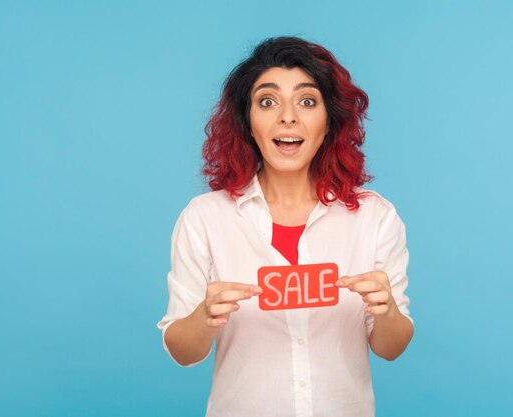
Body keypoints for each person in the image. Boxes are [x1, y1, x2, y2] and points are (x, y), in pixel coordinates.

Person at [157, 36, 414, 417]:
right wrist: (204, 316)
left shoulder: (375, 216)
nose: (288, 116)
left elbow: (390, 348)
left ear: (329, 121)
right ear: (247, 122)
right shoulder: (204, 218)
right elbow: (182, 351)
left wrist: (387, 309)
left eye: (307, 101)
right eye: (267, 101)